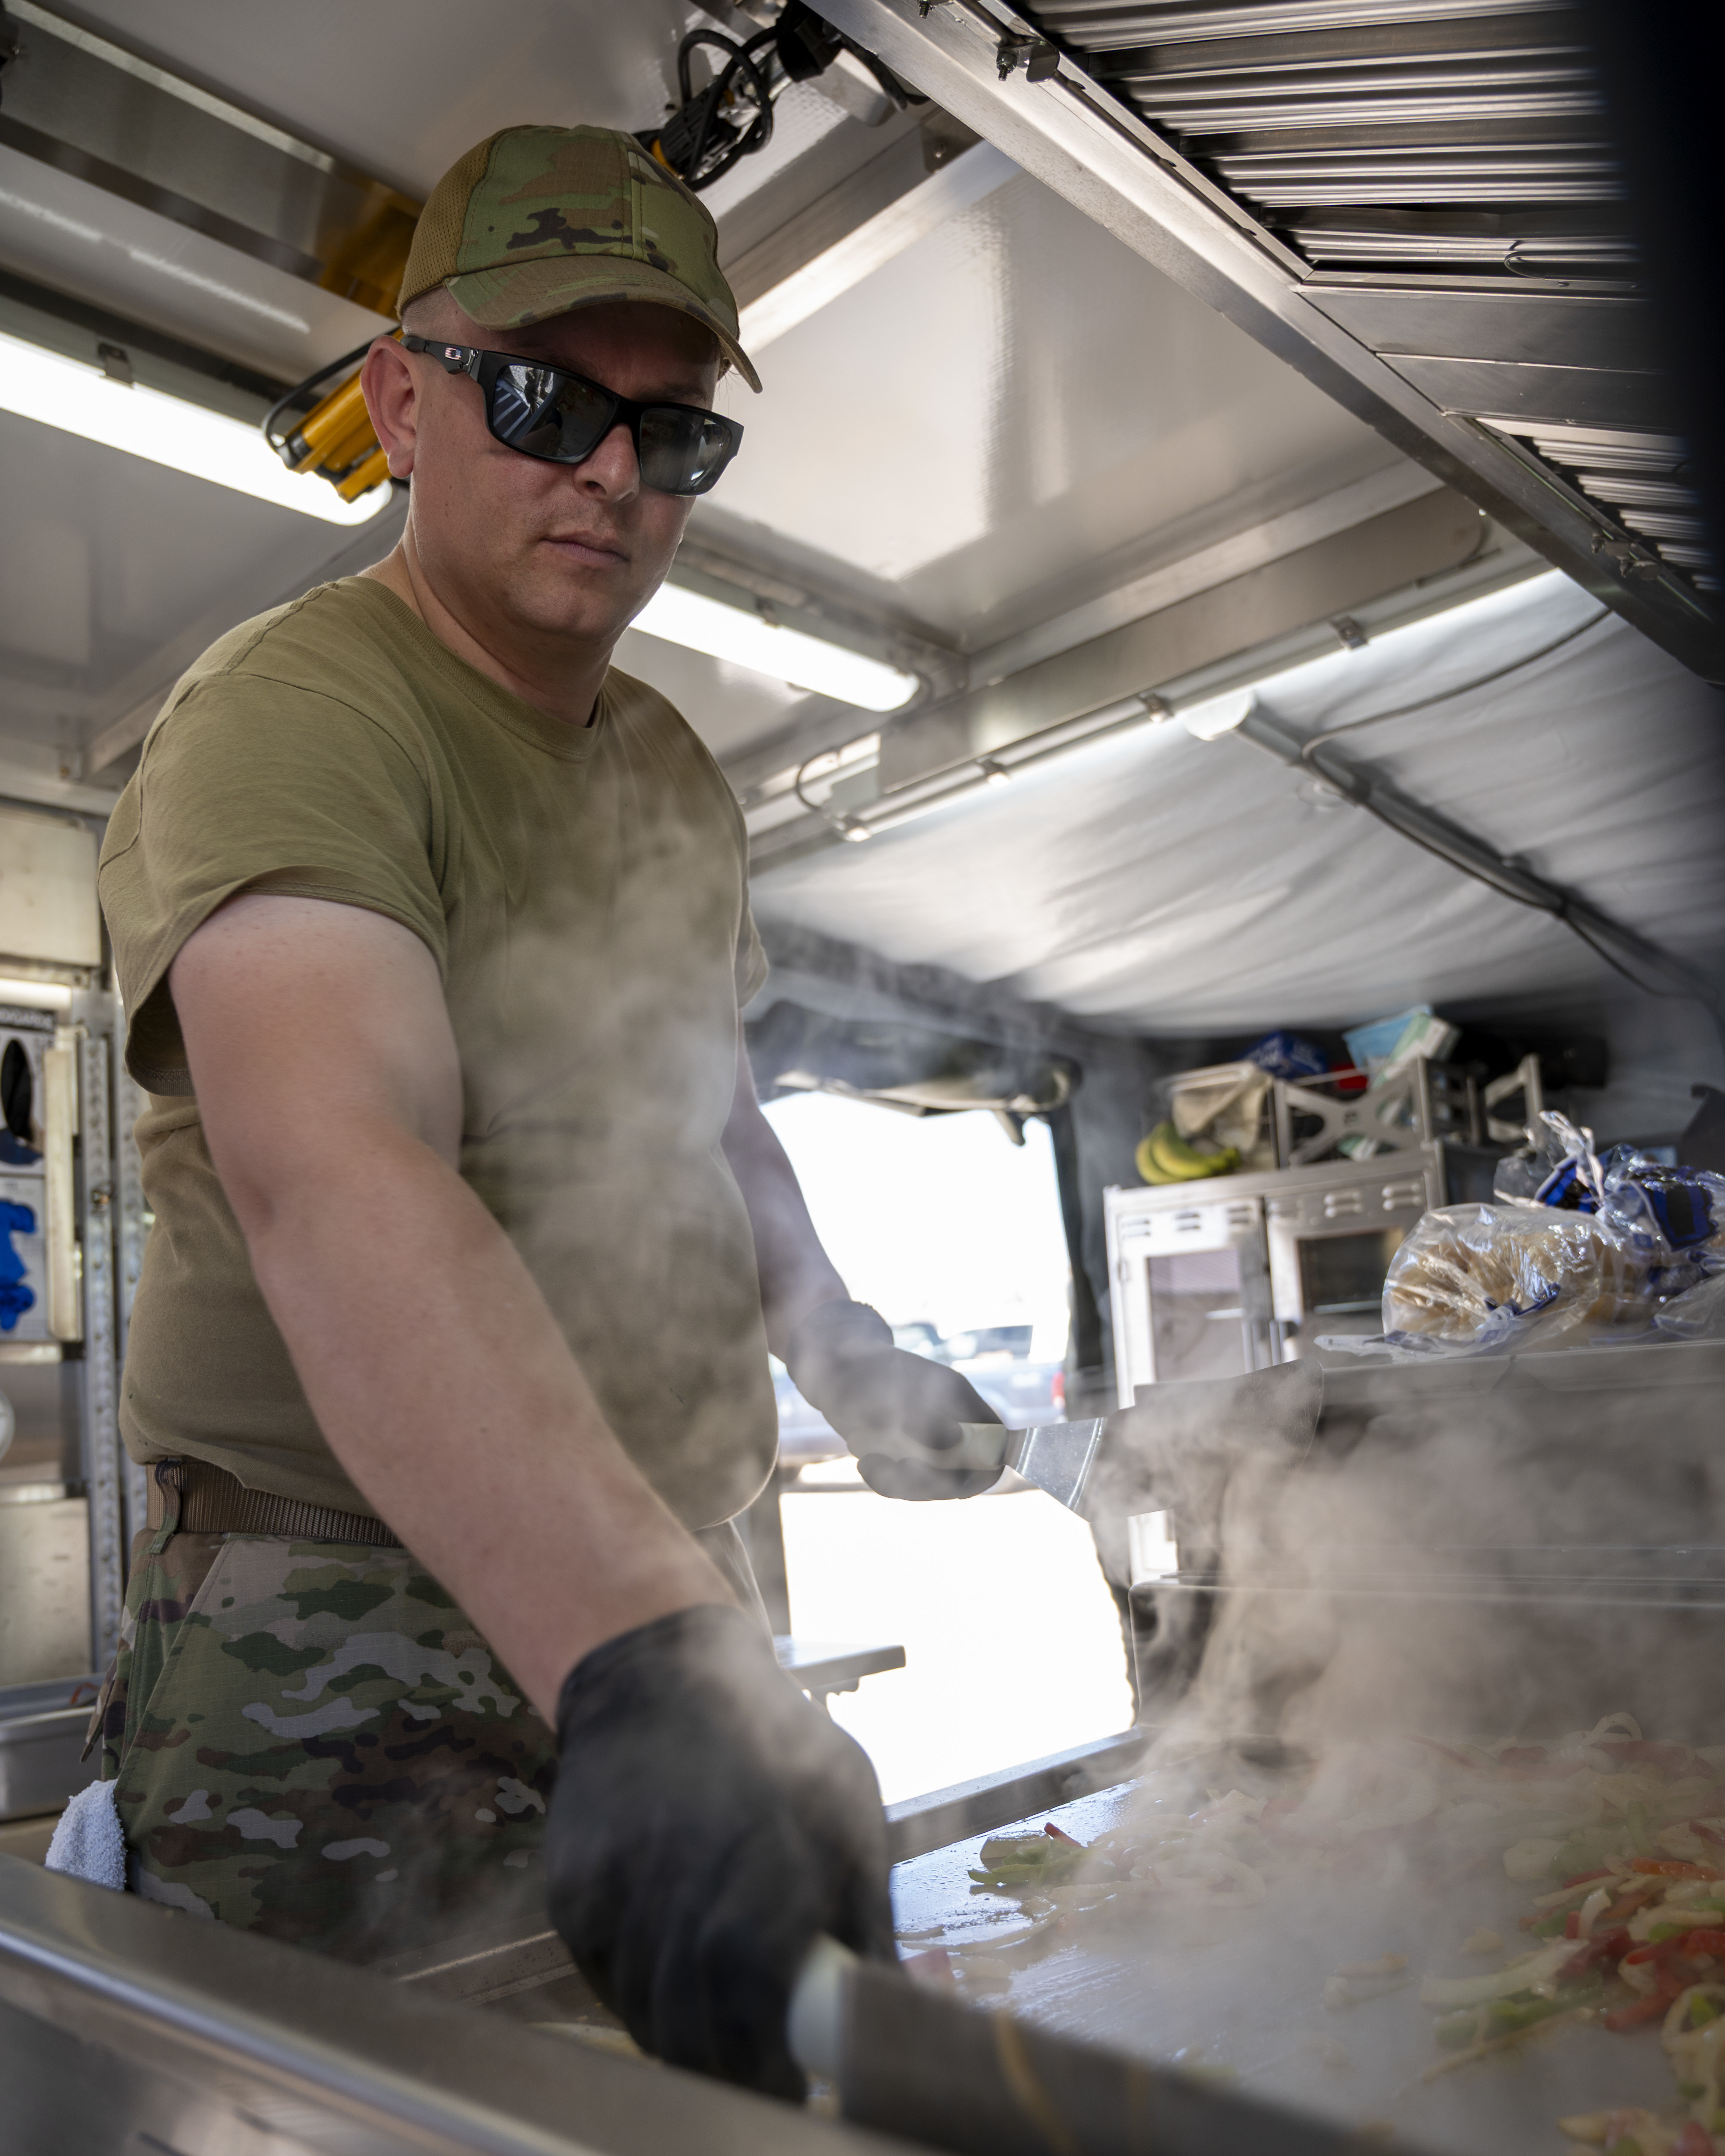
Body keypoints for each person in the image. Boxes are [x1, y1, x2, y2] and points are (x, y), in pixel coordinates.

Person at [92, 123, 998, 2098]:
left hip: (664, 1574)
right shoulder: (300, 710)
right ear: (405, 404)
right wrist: (643, 1648)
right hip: (350, 1618)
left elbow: (712, 1124)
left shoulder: (670, 767)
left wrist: (849, 1357)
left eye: (671, 434)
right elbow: (338, 1167)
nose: (610, 471)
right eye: (545, 400)